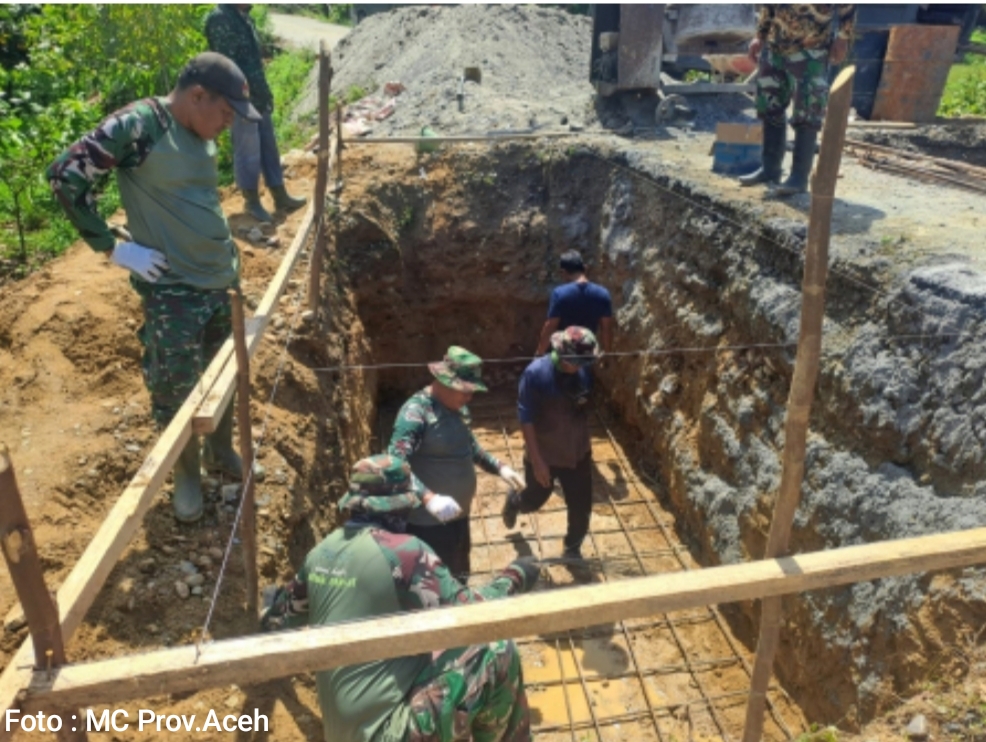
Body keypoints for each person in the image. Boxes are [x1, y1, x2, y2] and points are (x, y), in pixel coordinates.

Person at [47, 52, 259, 523]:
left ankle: (220, 448)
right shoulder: (140, 125)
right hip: (175, 292)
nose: (227, 124)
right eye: (225, 113)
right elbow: (65, 176)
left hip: (220, 280)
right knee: (176, 387)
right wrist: (112, 247)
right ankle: (186, 473)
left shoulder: (198, 131)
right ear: (198, 95)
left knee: (225, 371)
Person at [261, 455, 539, 742]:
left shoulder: (320, 554)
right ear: (399, 507)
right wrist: (516, 576)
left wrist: (270, 603)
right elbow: (475, 612)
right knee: (495, 649)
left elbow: (278, 619)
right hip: (391, 734)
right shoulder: (404, 553)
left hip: (340, 735)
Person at [388, 346, 526, 580]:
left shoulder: (457, 407)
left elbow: (470, 446)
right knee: (434, 582)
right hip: (428, 524)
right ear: (443, 381)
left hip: (457, 517)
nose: (469, 397)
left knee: (459, 573)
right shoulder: (416, 413)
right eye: (464, 390)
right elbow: (394, 464)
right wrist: (429, 498)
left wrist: (500, 467)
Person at [503, 327, 600, 560]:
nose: (578, 367)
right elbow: (526, 419)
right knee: (535, 500)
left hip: (578, 453)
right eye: (574, 363)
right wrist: (537, 462)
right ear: (562, 355)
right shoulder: (536, 374)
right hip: (546, 454)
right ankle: (515, 501)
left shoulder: (583, 369)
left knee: (581, 509)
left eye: (582, 363)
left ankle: (572, 549)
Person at [739, 4, 856, 196]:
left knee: (808, 110)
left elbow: (848, 6)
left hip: (813, 46)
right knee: (769, 105)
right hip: (775, 44)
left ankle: (798, 178)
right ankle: (770, 170)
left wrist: (843, 38)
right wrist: (760, 35)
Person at [205, 4, 306, 223]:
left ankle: (280, 195)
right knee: (247, 149)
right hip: (239, 97)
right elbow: (227, 66)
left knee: (269, 145)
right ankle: (251, 201)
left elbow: (254, 63)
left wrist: (264, 92)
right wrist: (236, 98)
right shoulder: (220, 19)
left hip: (257, 94)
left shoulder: (244, 18)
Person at [535, 250, 613, 356]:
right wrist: (607, 353)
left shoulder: (559, 294)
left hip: (563, 354)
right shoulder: (603, 294)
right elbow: (606, 328)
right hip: (586, 353)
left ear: (563, 272)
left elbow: (550, 326)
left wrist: (539, 353)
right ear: (584, 268)